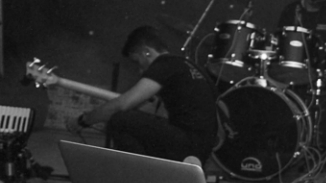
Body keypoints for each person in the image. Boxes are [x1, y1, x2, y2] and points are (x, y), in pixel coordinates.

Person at [67, 26, 219, 164]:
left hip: (186, 145)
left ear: (147, 52)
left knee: (121, 120)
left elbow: (123, 105)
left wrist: (83, 121)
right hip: (202, 149)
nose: (140, 70)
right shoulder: (189, 66)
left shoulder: (165, 65)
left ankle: (141, 176)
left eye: (137, 61)